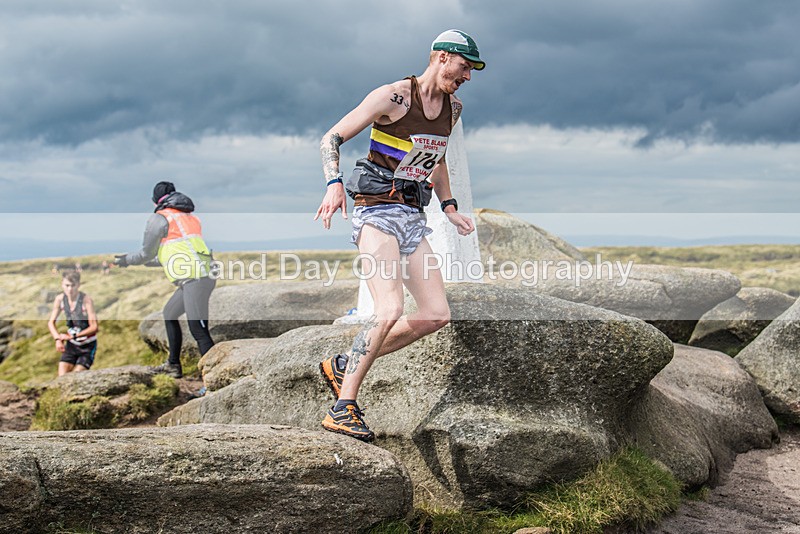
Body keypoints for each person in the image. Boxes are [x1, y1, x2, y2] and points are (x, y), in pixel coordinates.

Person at [314, 30, 484, 441]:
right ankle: (343, 406)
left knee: (434, 315)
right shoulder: (393, 96)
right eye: (464, 67)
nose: (467, 77)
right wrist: (334, 182)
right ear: (442, 57)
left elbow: (436, 158)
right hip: (377, 213)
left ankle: (343, 364)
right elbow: (332, 137)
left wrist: (449, 207)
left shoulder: (453, 108)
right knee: (388, 308)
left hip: (412, 216)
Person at [113, 181, 215, 378]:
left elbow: (146, 252)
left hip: (195, 279)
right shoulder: (189, 217)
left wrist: (127, 260)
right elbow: (180, 251)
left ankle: (213, 381)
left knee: (199, 331)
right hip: (200, 275)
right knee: (169, 313)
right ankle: (173, 365)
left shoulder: (160, 218)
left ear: (156, 201)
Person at [47, 270, 98, 376]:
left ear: (78, 285)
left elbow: (94, 327)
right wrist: (57, 339)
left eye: (73, 285)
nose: (70, 289)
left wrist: (73, 336)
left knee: (76, 377)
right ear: (62, 284)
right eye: (67, 285)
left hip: (87, 346)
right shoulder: (60, 299)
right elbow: (51, 323)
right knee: (61, 378)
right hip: (71, 345)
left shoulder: (86, 300)